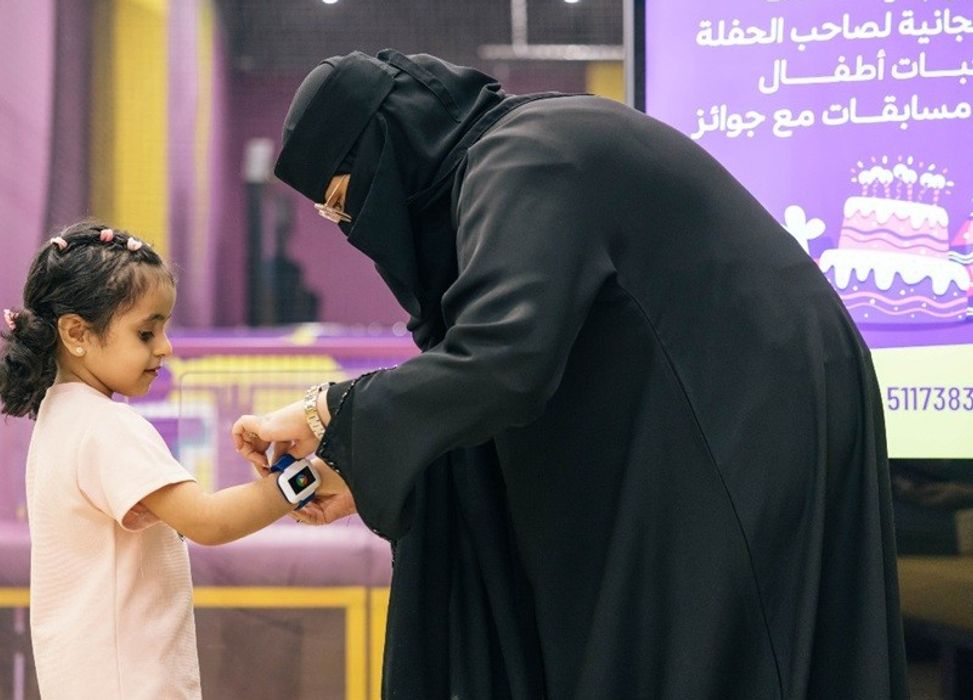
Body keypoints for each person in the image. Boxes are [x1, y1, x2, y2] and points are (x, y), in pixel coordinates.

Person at [233, 51, 908, 698]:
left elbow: (503, 360)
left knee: (719, 653)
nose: (351, 224)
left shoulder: (522, 158)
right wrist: (359, 456)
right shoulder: (518, 148)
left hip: (741, 411)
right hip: (733, 401)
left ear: (390, 145)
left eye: (346, 198)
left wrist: (328, 413)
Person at [0, 221, 346, 699]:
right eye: (146, 332)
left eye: (164, 328)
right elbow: (209, 522)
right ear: (76, 332)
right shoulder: (107, 428)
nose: (165, 347)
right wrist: (312, 475)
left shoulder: (59, 420)